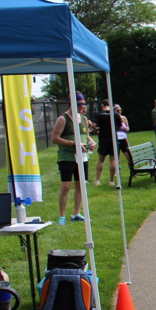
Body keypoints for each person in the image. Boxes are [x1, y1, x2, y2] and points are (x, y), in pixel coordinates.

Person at [51, 93, 97, 226]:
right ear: (72, 103)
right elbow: (55, 138)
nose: (82, 106)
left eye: (83, 104)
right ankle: (62, 216)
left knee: (80, 185)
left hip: (82, 157)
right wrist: (73, 143)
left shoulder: (83, 119)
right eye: (79, 104)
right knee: (65, 186)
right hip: (67, 157)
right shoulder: (63, 119)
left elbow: (86, 136)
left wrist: (91, 142)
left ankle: (76, 213)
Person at [93, 99, 123, 186]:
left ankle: (97, 180)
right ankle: (111, 181)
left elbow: (94, 125)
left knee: (101, 160)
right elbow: (120, 126)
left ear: (102, 105)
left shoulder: (99, 114)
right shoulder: (115, 114)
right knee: (113, 160)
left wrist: (97, 130)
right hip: (113, 138)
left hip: (103, 138)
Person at [114, 104, 133, 172]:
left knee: (128, 155)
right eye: (117, 110)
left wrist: (127, 128)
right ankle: (118, 171)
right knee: (117, 156)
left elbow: (127, 127)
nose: (119, 111)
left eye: (120, 110)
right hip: (117, 138)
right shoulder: (113, 118)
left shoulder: (124, 118)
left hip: (124, 138)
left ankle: (132, 170)